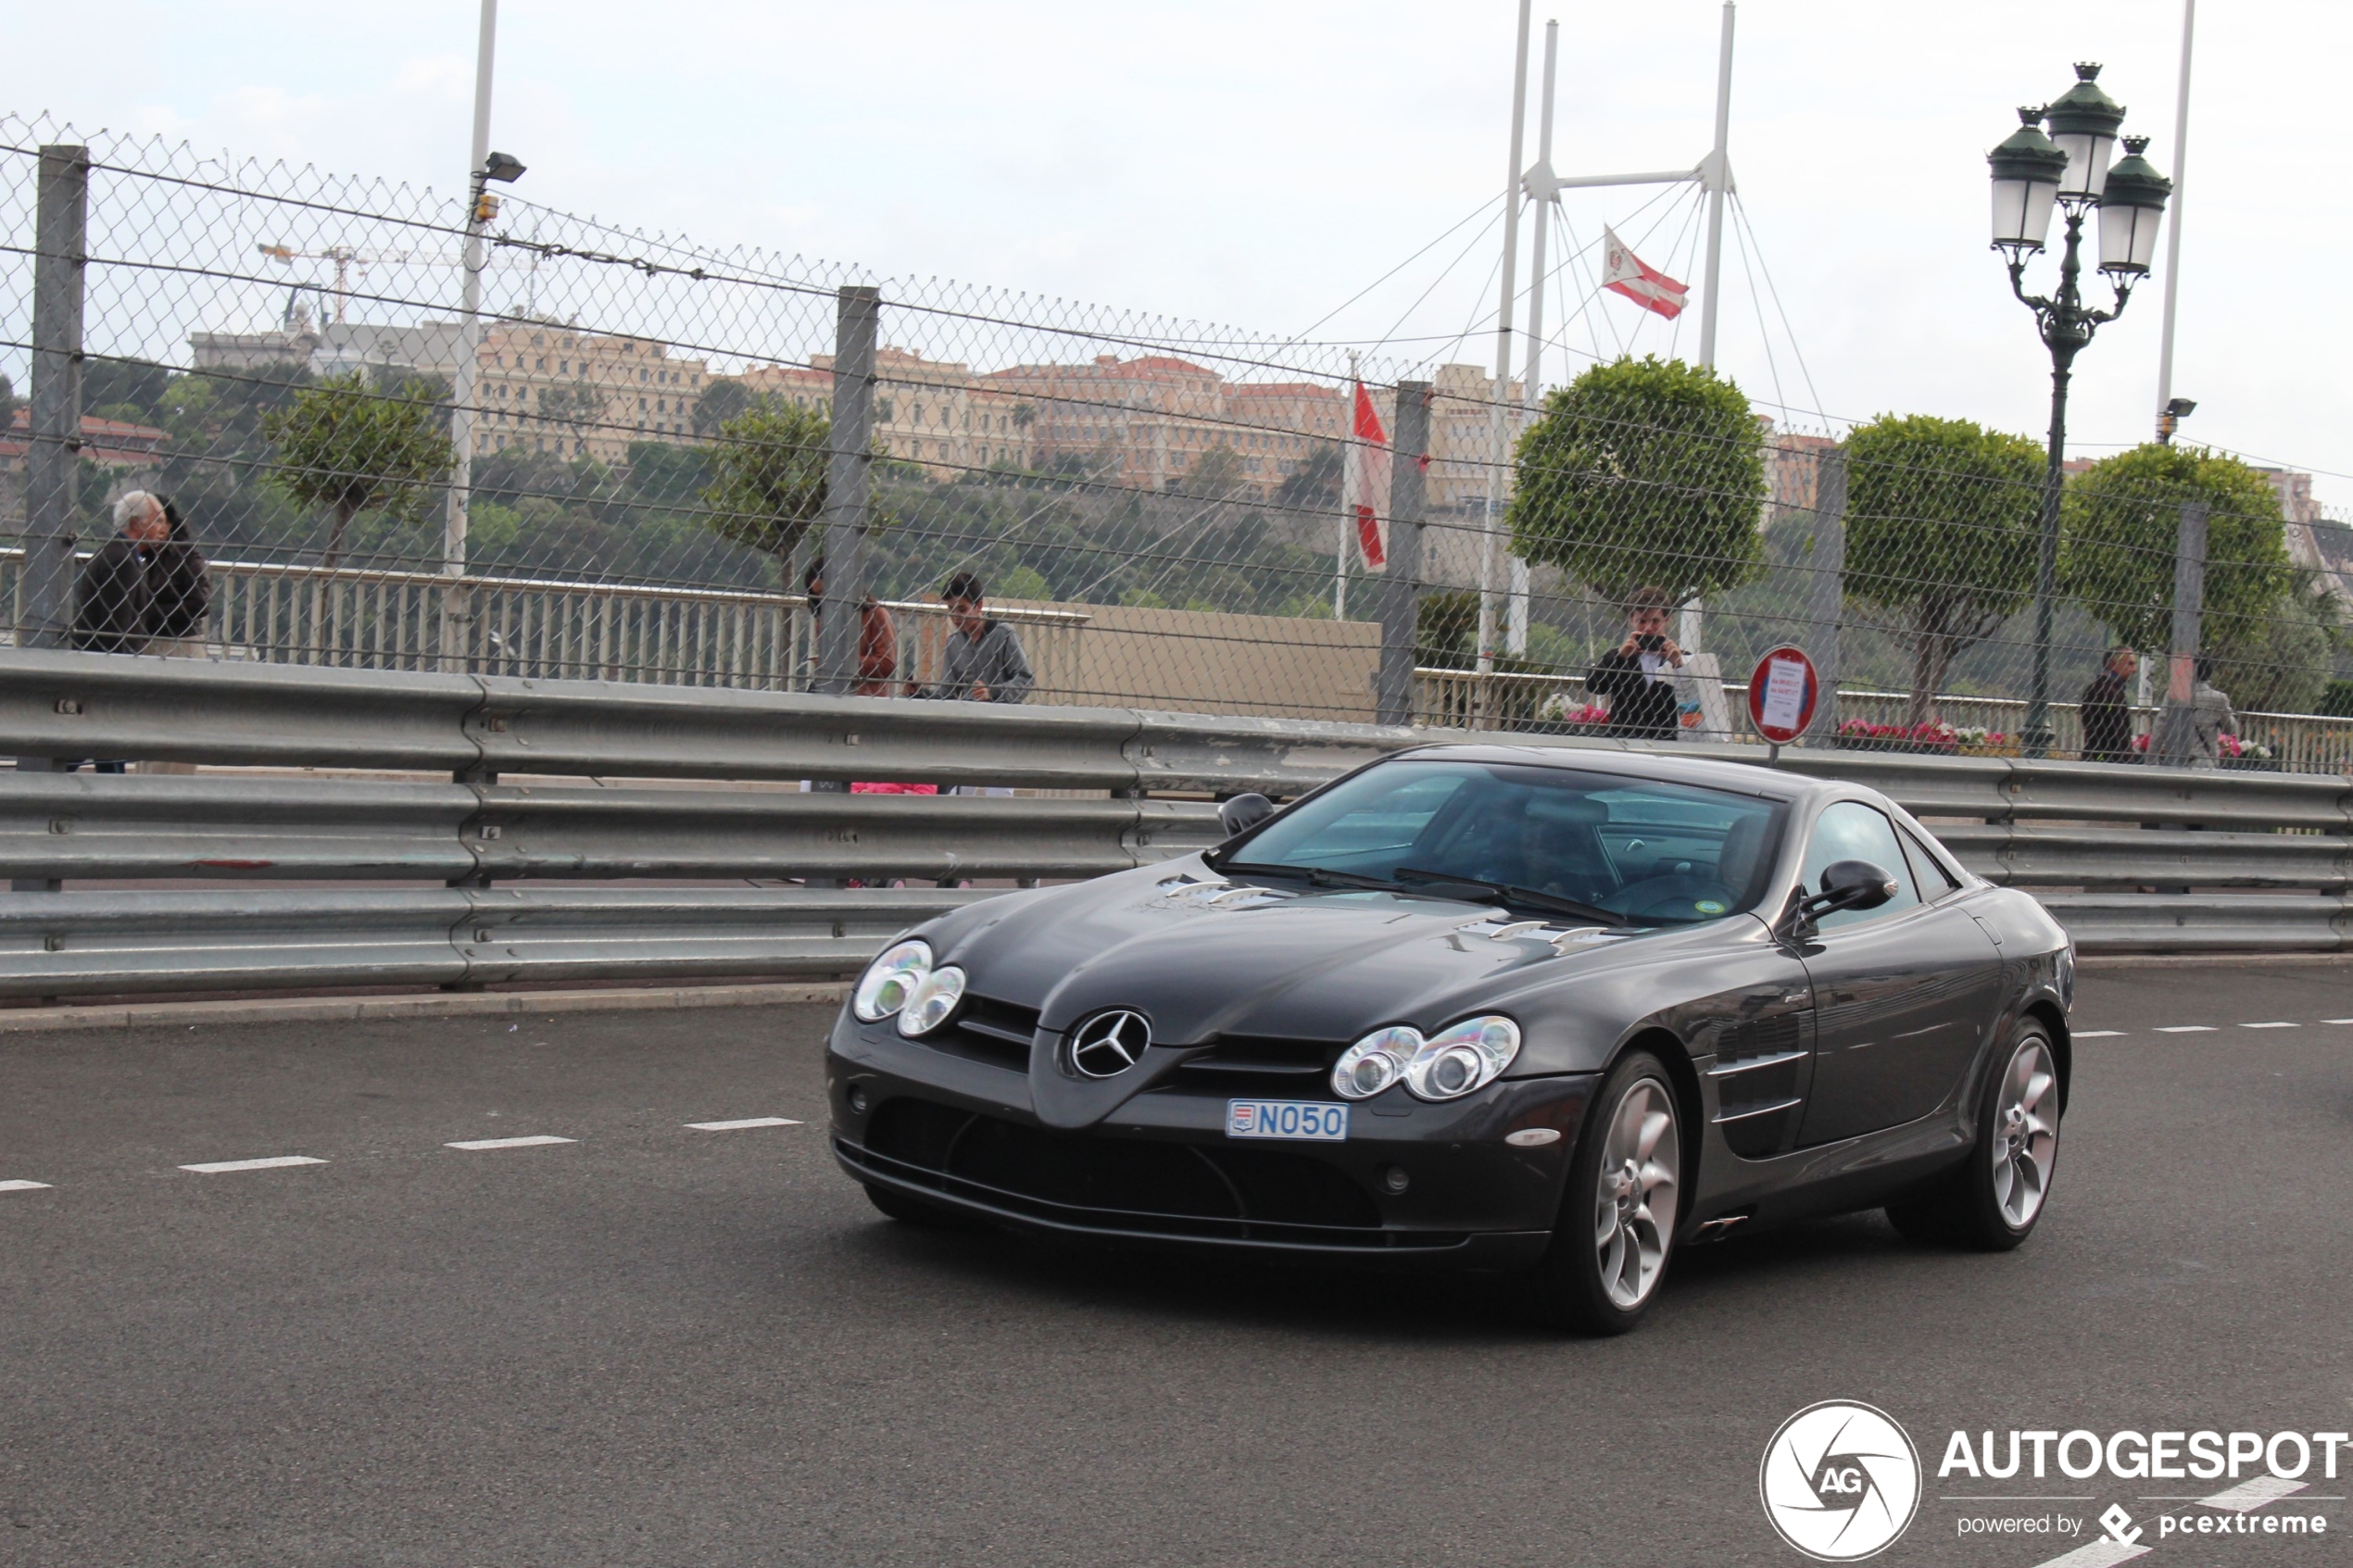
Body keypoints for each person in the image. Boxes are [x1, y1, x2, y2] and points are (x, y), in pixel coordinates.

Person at [1584, 585, 1683, 741]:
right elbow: (1594, 686)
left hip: (1667, 740)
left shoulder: (1681, 658)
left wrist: (1679, 664)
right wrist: (1620, 657)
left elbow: (1697, 699)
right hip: (1623, 739)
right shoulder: (1619, 657)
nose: (1648, 628)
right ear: (1632, 620)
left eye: (1655, 621)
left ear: (1667, 620)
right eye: (1642, 621)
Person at [803, 557, 901, 697]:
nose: (823, 598)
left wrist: (843, 663)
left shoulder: (876, 614)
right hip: (833, 693)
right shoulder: (825, 620)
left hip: (867, 696)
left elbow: (887, 664)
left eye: (826, 591)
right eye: (817, 594)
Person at [934, 571, 1033, 703]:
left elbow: (1025, 679)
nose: (956, 616)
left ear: (979, 605)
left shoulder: (1003, 634)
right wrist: (919, 693)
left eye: (962, 609)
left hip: (1000, 714)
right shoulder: (954, 642)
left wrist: (992, 692)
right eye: (951, 610)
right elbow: (946, 692)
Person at [2077, 646, 2137, 762]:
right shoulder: (2108, 691)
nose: (2135, 669)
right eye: (2130, 664)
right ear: (2113, 664)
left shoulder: (2101, 688)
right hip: (2107, 760)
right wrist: (2127, 760)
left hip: (2099, 757)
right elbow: (2117, 733)